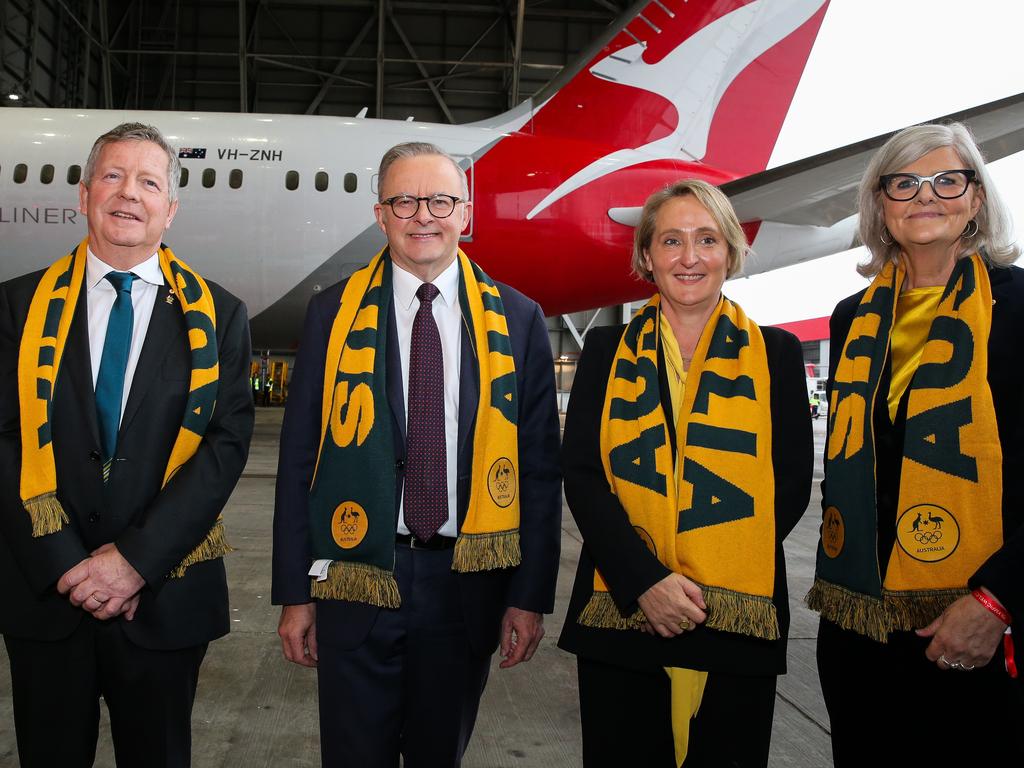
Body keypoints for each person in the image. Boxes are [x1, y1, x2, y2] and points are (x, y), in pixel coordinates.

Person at [272, 141, 561, 767]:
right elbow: (299, 465)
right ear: (381, 215)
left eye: (440, 200)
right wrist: (296, 594)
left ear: (466, 214)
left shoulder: (519, 319)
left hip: (466, 585)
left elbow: (538, 471)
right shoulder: (332, 315)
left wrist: (528, 595)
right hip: (355, 578)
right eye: (404, 200)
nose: (422, 215)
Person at [0, 122, 254, 767]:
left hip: (165, 597)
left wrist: (135, 561)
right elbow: (2, 437)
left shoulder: (221, 316)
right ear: (84, 194)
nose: (128, 194)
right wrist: (67, 566)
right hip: (47, 596)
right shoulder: (16, 306)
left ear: (170, 208)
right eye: (112, 176)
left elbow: (223, 448)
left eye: (149, 182)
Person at [558, 180, 812, 767]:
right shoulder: (605, 349)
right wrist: (645, 580)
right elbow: (584, 475)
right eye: (670, 241)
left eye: (706, 239)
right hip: (625, 610)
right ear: (646, 256)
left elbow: (792, 483)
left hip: (735, 617)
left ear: (731, 252)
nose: (689, 257)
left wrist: (712, 566)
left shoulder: (775, 353)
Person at [808, 122, 1024, 767]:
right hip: (859, 619)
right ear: (880, 204)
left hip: (974, 615)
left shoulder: (1017, 309)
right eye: (903, 182)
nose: (924, 195)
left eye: (946, 179)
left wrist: (997, 600)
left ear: (976, 199)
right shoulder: (855, 315)